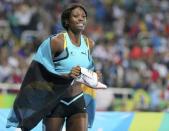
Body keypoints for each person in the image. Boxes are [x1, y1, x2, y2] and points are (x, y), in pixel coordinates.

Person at [6, 3, 103, 131]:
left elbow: (87, 69)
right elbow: (39, 71)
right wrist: (66, 76)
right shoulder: (56, 42)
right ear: (67, 21)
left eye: (83, 16)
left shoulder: (89, 44)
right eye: (76, 16)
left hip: (77, 99)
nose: (81, 19)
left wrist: (94, 75)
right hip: (55, 101)